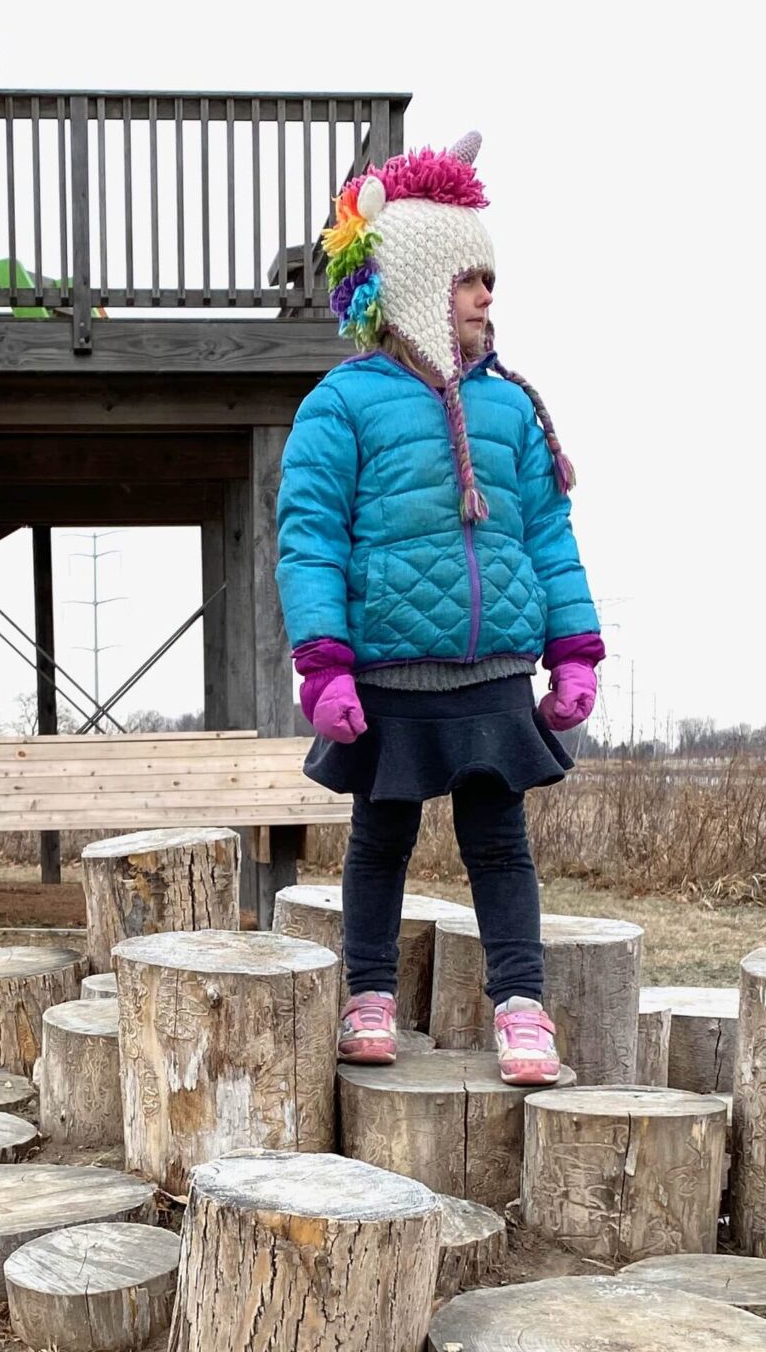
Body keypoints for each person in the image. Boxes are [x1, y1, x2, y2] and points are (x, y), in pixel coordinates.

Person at [274, 131, 605, 1086]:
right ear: (418, 284)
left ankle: (522, 1008)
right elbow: (310, 538)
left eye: (490, 280)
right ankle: (368, 995)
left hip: (494, 668)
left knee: (500, 847)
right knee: (380, 838)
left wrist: (574, 648)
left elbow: (547, 534)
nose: (487, 296)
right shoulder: (344, 406)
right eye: (469, 278)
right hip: (386, 671)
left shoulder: (511, 410)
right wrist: (324, 662)